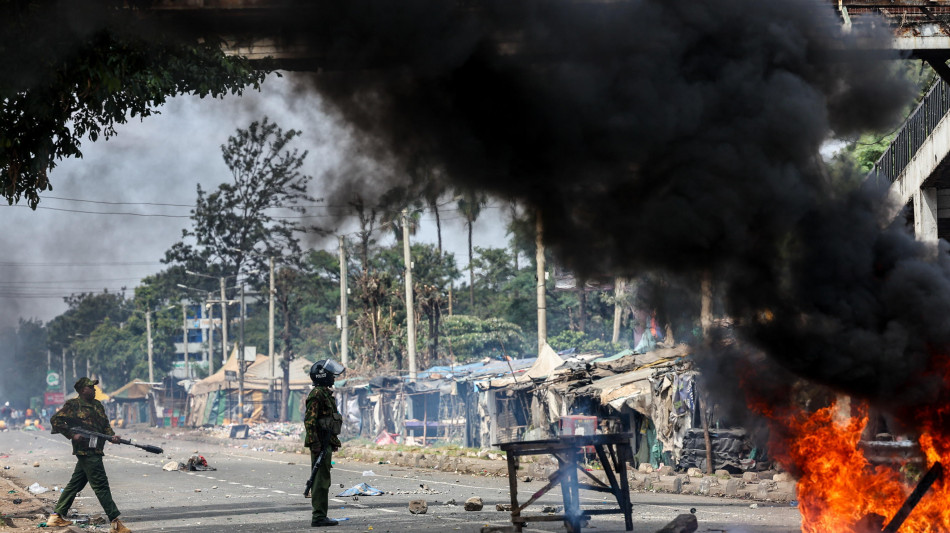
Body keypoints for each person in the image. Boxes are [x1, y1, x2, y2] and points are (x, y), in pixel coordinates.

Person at [47, 378, 132, 533]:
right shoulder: (73, 405)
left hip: (97, 448)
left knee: (76, 484)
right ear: (82, 390)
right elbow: (55, 420)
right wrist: (72, 435)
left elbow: (105, 425)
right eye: (90, 387)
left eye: (94, 387)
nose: (94, 389)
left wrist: (112, 437)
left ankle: (56, 515)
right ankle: (115, 522)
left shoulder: (98, 405)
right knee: (101, 485)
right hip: (85, 450)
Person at [304, 359, 345, 528]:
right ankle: (319, 516)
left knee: (324, 479)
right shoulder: (317, 394)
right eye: (330, 375)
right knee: (320, 481)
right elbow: (310, 421)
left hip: (325, 442)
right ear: (322, 376)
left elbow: (329, 422)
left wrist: (333, 442)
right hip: (319, 443)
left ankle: (321, 515)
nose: (333, 378)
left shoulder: (326, 394)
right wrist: (315, 443)